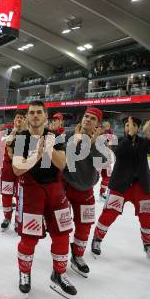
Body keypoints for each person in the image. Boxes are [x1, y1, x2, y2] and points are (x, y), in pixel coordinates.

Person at [12, 101, 77, 297]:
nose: (35, 115)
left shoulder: (55, 137)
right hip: (31, 191)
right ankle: (25, 273)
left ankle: (59, 274)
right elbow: (17, 168)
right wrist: (37, 155)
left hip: (56, 190)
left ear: (45, 116)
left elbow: (63, 164)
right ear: (27, 116)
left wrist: (48, 149)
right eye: (31, 112)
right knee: (28, 237)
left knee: (62, 234)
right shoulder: (21, 138)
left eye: (39, 112)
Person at [92, 116, 150, 264]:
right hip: (120, 186)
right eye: (127, 125)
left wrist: (148, 134)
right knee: (109, 214)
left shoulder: (144, 142)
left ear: (138, 128)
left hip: (141, 186)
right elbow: (119, 152)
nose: (130, 128)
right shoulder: (117, 141)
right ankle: (97, 239)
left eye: (134, 125)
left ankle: (149, 246)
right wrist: (129, 136)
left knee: (147, 217)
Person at [63, 107, 107, 277]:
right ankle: (60, 256)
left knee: (85, 226)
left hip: (86, 190)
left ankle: (78, 256)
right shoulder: (68, 134)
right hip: (66, 187)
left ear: (98, 124)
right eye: (86, 117)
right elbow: (62, 159)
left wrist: (94, 143)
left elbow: (99, 163)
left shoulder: (101, 141)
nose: (88, 120)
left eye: (93, 118)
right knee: (62, 226)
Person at [0, 110, 27, 232]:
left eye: (21, 117)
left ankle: (18, 221)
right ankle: (7, 217)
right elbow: (8, 143)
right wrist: (15, 130)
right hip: (8, 168)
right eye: (17, 117)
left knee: (20, 196)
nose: (19, 119)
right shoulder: (8, 132)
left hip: (21, 169)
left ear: (25, 119)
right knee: (6, 194)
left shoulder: (29, 134)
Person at [0, 124, 14, 204]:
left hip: (8, 161)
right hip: (0, 160)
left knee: (9, 180)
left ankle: (10, 198)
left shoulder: (13, 135)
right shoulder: (1, 134)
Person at [99, 121, 114, 200]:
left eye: (109, 125)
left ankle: (102, 193)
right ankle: (101, 193)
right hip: (99, 158)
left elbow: (110, 146)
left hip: (105, 158)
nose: (108, 127)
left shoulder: (110, 134)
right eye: (106, 125)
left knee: (107, 177)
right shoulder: (98, 133)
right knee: (93, 176)